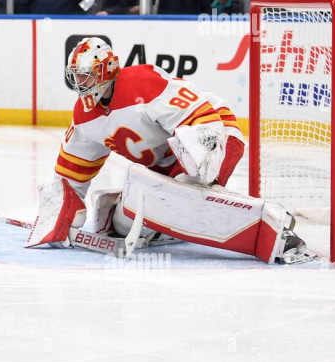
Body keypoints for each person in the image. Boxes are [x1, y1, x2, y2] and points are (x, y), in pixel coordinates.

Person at [26, 37, 311, 265]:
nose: (80, 84)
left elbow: (202, 119)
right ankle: (166, 212)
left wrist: (200, 175)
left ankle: (275, 231)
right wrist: (60, 214)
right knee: (124, 225)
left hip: (213, 132)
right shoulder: (85, 116)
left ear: (106, 70)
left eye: (86, 76)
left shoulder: (141, 83)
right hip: (166, 165)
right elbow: (70, 175)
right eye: (77, 76)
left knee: (184, 195)